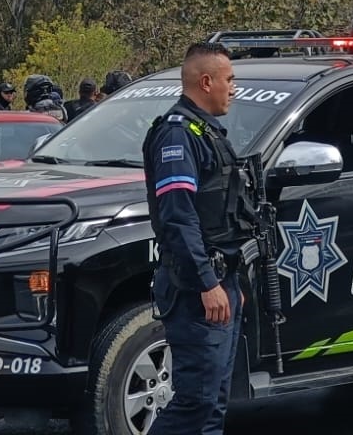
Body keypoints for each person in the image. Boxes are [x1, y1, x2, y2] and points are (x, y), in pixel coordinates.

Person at [141, 43, 256, 435]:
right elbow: (178, 216)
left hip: (219, 282)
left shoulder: (206, 132)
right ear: (206, 82)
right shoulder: (178, 134)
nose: (233, 88)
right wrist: (208, 282)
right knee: (196, 401)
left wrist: (229, 282)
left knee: (213, 405)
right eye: (229, 80)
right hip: (194, 290)